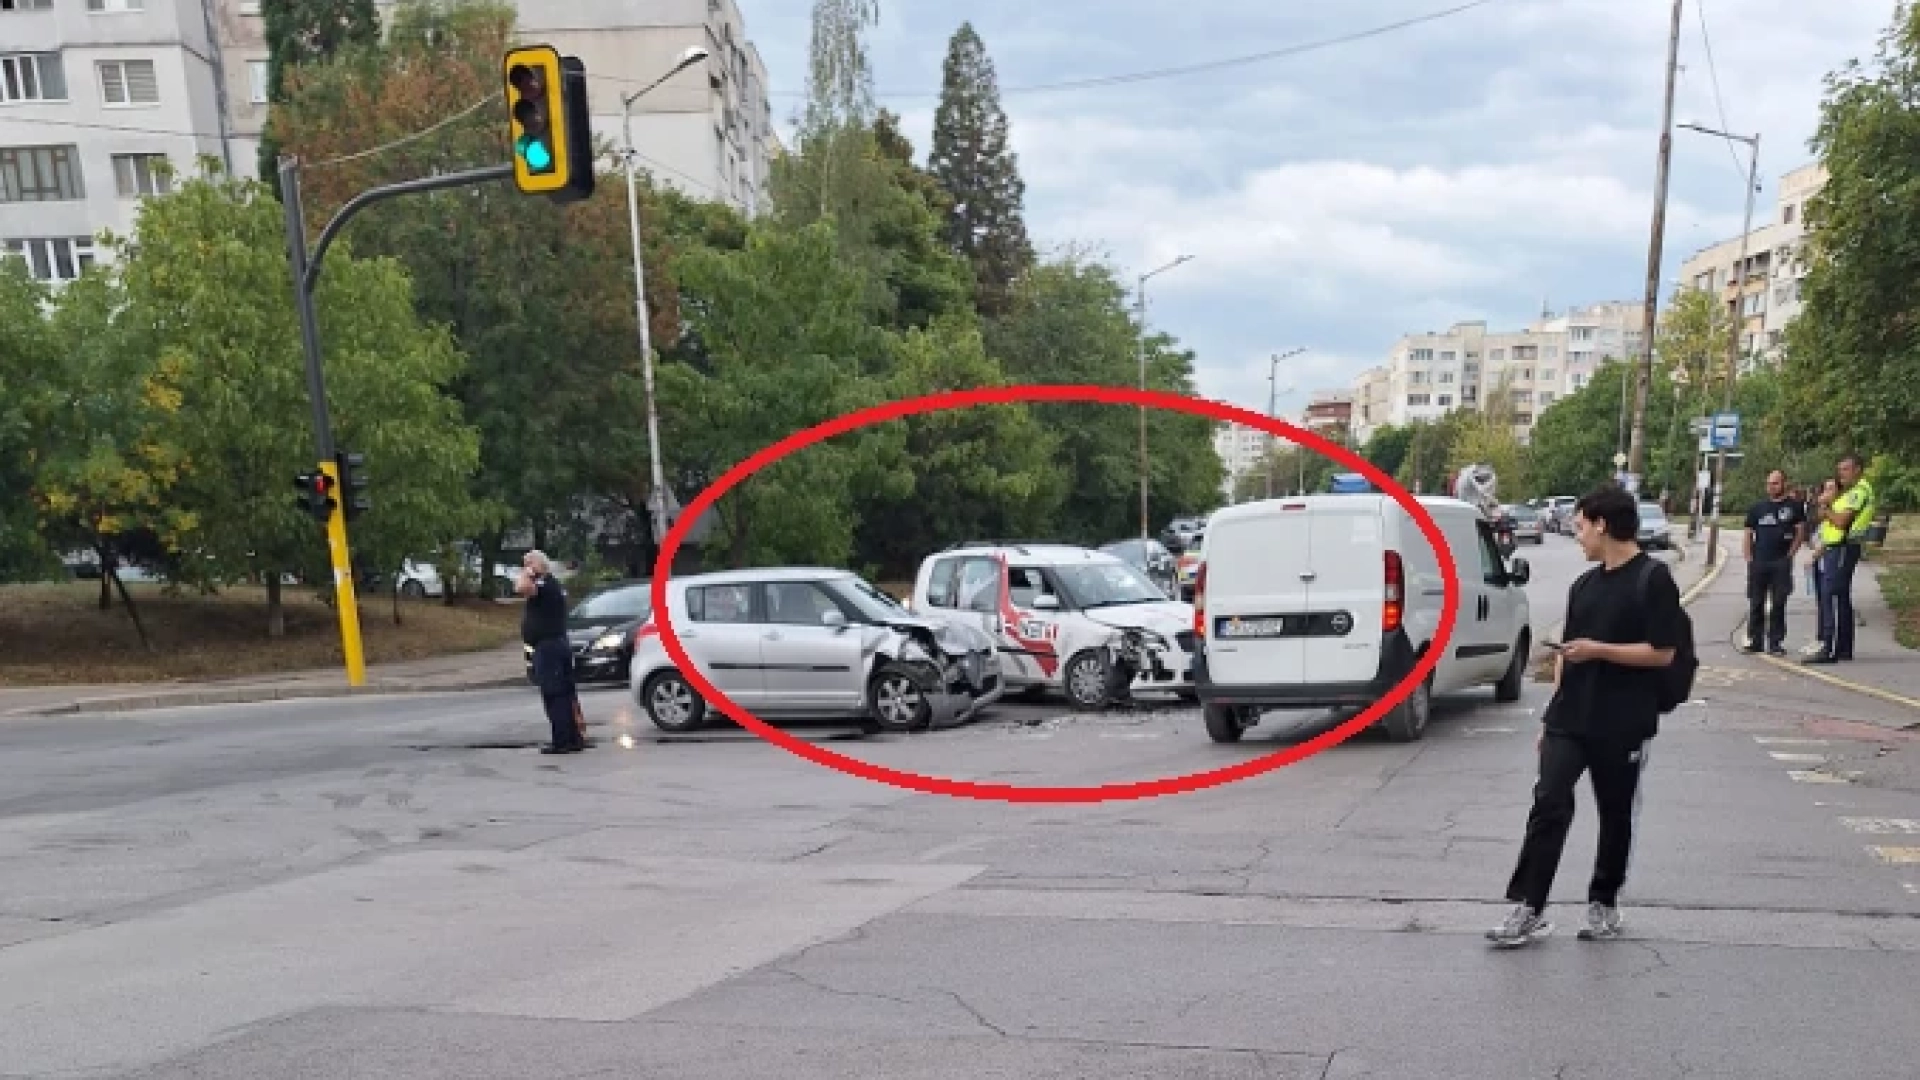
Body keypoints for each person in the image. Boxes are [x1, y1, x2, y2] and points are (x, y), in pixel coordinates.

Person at [1488, 485, 1683, 948]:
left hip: (1622, 720)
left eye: (1579, 525)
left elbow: (1662, 653)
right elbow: (1567, 654)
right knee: (1548, 803)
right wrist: (1550, 714)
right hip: (1569, 717)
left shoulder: (1652, 579)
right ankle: (1529, 907)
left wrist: (1600, 650)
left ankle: (1604, 901)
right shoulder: (1583, 585)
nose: (1577, 535)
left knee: (1615, 814)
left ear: (1602, 523)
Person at [1808, 455, 1877, 665]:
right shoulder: (1850, 493)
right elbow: (1824, 517)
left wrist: (1828, 508)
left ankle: (1828, 647)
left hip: (1842, 549)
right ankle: (1844, 647)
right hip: (1838, 548)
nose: (1841, 474)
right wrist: (1826, 507)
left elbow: (1840, 521)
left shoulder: (1858, 493)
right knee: (1842, 598)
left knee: (1831, 597)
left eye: (1846, 470)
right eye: (1840, 470)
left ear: (1858, 470)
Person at [517, 549, 588, 754]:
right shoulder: (551, 584)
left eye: (528, 563)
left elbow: (521, 587)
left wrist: (528, 572)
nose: (525, 568)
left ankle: (562, 741)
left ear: (539, 565)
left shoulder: (545, 584)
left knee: (554, 694)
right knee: (565, 693)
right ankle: (574, 738)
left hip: (549, 647)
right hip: (557, 645)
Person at [1741, 470, 1806, 656]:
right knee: (1756, 603)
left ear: (1784, 483)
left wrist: (1790, 555)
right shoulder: (1757, 508)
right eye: (1769, 483)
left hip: (1780, 563)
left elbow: (1800, 532)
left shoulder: (1794, 507)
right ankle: (1755, 640)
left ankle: (1775, 642)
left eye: (1776, 483)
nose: (1772, 487)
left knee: (1778, 603)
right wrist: (1748, 557)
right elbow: (1748, 533)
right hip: (1759, 562)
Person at [1801, 477, 1838, 657]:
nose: (1827, 493)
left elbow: (1832, 539)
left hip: (1830, 560)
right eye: (1825, 489)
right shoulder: (1819, 513)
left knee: (1828, 601)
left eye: (1832, 489)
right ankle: (1820, 637)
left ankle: (1827, 643)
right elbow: (1810, 533)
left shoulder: (1837, 512)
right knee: (1821, 602)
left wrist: (1816, 553)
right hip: (1819, 562)